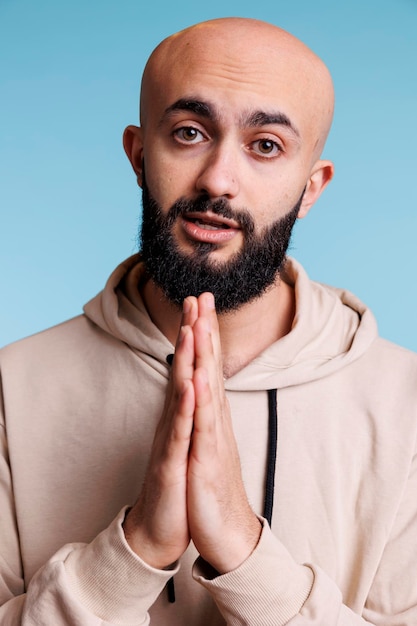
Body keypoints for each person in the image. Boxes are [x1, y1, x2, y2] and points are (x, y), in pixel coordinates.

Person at [1, 16, 416, 625]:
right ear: (139, 155)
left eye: (266, 145)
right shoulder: (12, 389)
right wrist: (134, 551)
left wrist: (247, 557)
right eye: (190, 133)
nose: (219, 179)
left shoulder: (407, 405)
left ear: (311, 187)